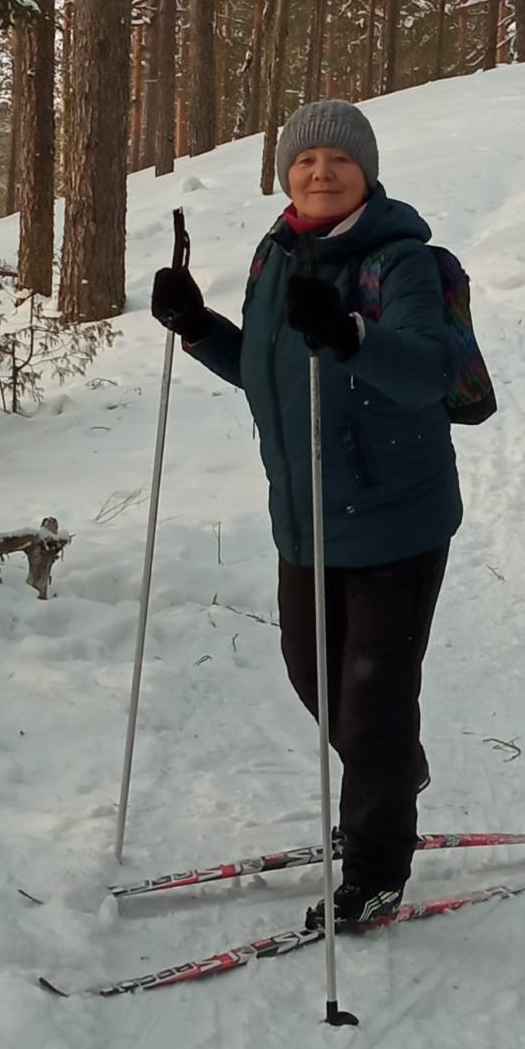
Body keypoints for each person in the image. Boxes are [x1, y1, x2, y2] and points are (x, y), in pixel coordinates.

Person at [151, 98, 462, 928]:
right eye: (305, 160)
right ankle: (391, 770)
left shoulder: (400, 260)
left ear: (368, 172)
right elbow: (268, 372)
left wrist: (354, 334)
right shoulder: (275, 255)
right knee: (314, 678)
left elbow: (426, 370)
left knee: (373, 704)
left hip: (397, 518)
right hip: (307, 519)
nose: (320, 172)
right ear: (286, 173)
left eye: (339, 160)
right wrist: (197, 326)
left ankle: (376, 868)